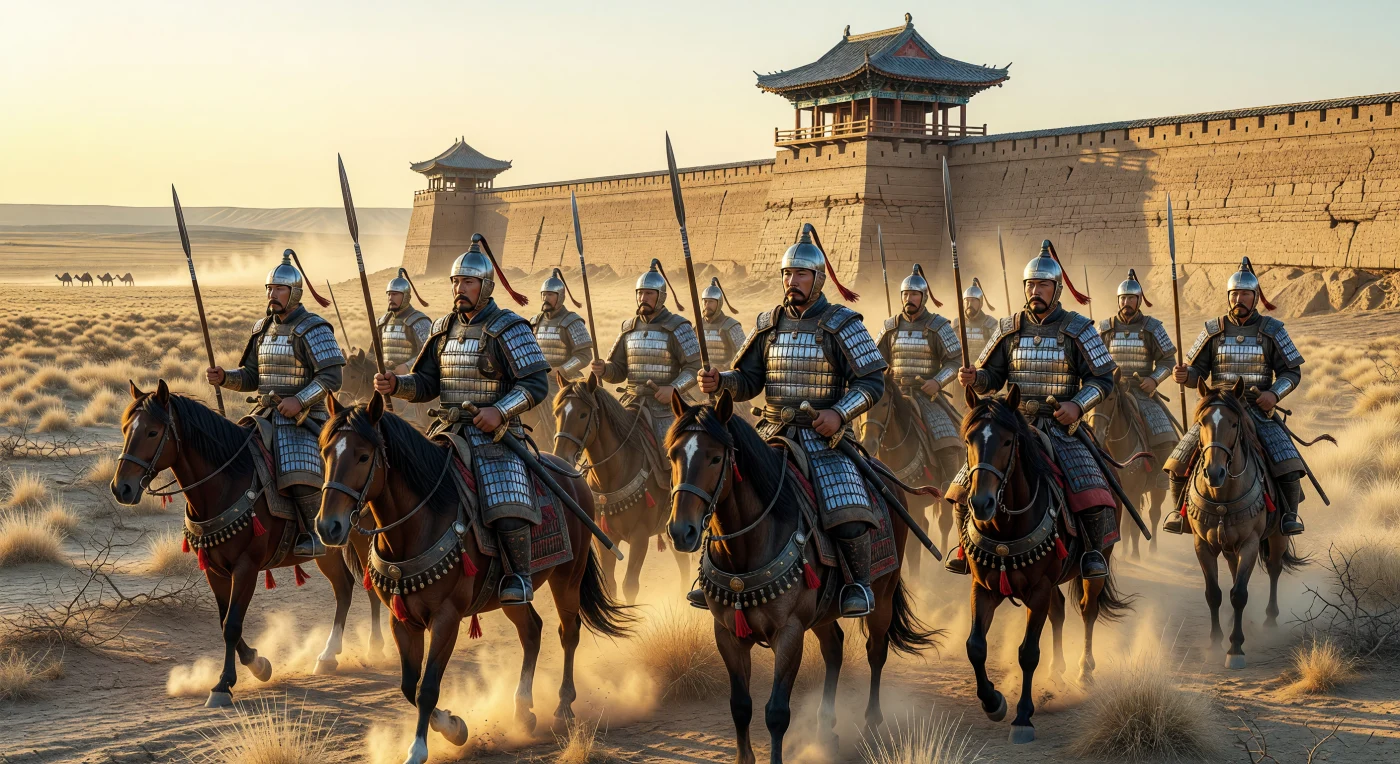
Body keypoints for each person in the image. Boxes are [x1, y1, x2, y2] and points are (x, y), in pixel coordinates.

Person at [697, 223, 886, 617]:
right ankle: (710, 575)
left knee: (847, 508)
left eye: (801, 274)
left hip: (824, 437)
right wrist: (721, 382)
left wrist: (838, 413)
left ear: (818, 280)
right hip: (769, 432)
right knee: (719, 486)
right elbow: (748, 379)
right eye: (787, 273)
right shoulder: (769, 324)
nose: (792, 281)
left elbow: (871, 381)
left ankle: (858, 586)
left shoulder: (841, 322)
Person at [372, 234, 550, 604]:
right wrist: (396, 385)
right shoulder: (443, 329)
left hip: (497, 436)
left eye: (467, 281)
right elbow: (426, 383)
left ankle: (518, 576)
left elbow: (535, 383)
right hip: (447, 432)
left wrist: (499, 410)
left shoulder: (509, 327)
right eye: (455, 281)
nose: (459, 288)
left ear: (485, 286)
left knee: (505, 497)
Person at [953, 240, 1119, 579]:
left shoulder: (1078, 328)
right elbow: (992, 376)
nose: (1035, 291)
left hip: (1062, 427)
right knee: (961, 488)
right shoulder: (1009, 328)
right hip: (1013, 423)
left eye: (1042, 284)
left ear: (1056, 289)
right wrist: (975, 377)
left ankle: (1091, 554)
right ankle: (964, 548)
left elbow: (1102, 379)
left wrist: (1076, 404)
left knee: (1092, 489)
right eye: (1030, 284)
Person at [207, 249, 343, 558]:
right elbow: (253, 376)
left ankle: (316, 533)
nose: (272, 294)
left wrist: (299, 400)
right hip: (264, 415)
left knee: (298, 468)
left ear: (295, 292)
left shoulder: (313, 327)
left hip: (305, 419)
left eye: (279, 288)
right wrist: (225, 377)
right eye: (269, 288)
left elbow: (331, 378)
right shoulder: (262, 329)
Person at [1164, 257, 1306, 535]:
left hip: (1256, 409)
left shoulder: (1272, 330)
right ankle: (1179, 513)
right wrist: (1184, 375)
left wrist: (1273, 395)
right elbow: (1197, 372)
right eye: (1235, 294)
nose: (1239, 299)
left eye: (1245, 294)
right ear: (1228, 297)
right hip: (1217, 409)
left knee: (1289, 463)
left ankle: (1288, 517)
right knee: (1177, 461)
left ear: (1255, 298)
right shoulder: (1213, 329)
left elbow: (1292, 372)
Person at [589, 259, 701, 448]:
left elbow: (694, 367)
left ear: (661, 296)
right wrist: (604, 369)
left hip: (666, 407)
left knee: (672, 453)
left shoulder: (677, 326)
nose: (643, 298)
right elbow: (619, 370)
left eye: (649, 293)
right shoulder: (628, 328)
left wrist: (673, 389)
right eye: (640, 293)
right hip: (630, 401)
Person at [1092, 269, 1179, 494]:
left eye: (1131, 298)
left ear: (1139, 300)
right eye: (1123, 298)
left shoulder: (1152, 327)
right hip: (1110, 389)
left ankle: (1161, 473)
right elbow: (1090, 360)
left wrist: (1153, 379)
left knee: (1164, 431)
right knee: (1087, 424)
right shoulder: (1105, 328)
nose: (1126, 302)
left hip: (1141, 390)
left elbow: (1168, 360)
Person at [874, 264, 963, 483]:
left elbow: (955, 361)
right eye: (905, 294)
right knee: (866, 432)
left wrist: (937, 382)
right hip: (894, 392)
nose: (909, 298)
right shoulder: (890, 327)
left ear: (923, 297)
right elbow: (875, 361)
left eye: (914, 294)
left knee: (947, 441)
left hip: (927, 396)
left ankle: (950, 490)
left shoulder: (938, 326)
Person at [529, 268, 593, 445]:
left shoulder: (571, 321)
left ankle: (555, 446)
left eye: (550, 295)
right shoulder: (535, 321)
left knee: (554, 411)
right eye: (544, 295)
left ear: (560, 296)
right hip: (539, 376)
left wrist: (562, 369)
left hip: (564, 381)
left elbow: (585, 355)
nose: (545, 299)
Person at [379, 268, 432, 375]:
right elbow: (372, 353)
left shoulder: (419, 322)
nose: (390, 298)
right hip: (386, 380)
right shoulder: (382, 322)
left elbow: (430, 354)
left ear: (406, 297)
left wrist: (408, 366)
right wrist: (380, 362)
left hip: (413, 380)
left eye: (395, 294)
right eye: (389, 294)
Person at [699, 277, 747, 370]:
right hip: (702, 376)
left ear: (719, 303)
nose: (707, 305)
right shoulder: (698, 326)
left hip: (726, 376)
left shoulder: (731, 326)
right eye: (705, 301)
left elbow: (744, 354)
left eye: (711, 302)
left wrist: (726, 366)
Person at [954, 277, 1000, 365]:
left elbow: (997, 355)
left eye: (973, 300)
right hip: (960, 372)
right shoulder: (956, 324)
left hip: (983, 370)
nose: (969, 304)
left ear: (980, 303)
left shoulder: (991, 324)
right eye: (966, 301)